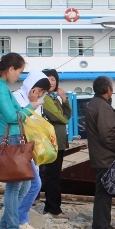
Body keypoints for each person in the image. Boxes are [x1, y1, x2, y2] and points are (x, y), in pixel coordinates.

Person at [0, 52, 43, 229]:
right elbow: (12, 116)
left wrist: (24, 109)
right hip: (9, 138)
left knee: (24, 183)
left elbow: (15, 111)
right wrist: (30, 108)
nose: (20, 76)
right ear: (10, 69)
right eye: (19, 72)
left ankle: (5, 227)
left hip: (11, 137)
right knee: (14, 186)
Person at [12, 73, 51, 229]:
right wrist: (32, 104)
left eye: (43, 92)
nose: (40, 94)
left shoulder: (34, 101)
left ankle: (17, 218)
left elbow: (38, 125)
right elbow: (20, 120)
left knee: (27, 184)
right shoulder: (18, 96)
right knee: (34, 184)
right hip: (18, 146)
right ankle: (20, 218)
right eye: (39, 90)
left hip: (29, 147)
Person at [85, 76, 115, 229]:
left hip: (98, 153)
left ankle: (103, 223)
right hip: (104, 155)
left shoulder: (93, 104)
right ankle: (101, 227)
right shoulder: (103, 107)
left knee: (103, 190)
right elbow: (108, 134)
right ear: (108, 89)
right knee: (104, 192)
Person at [41, 69, 72, 219]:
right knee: (53, 175)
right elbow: (60, 117)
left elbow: (68, 114)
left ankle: (49, 206)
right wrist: (64, 117)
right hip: (51, 141)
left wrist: (64, 99)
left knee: (54, 174)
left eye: (53, 79)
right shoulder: (46, 98)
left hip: (58, 141)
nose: (51, 82)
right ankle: (55, 209)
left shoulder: (55, 98)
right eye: (48, 79)